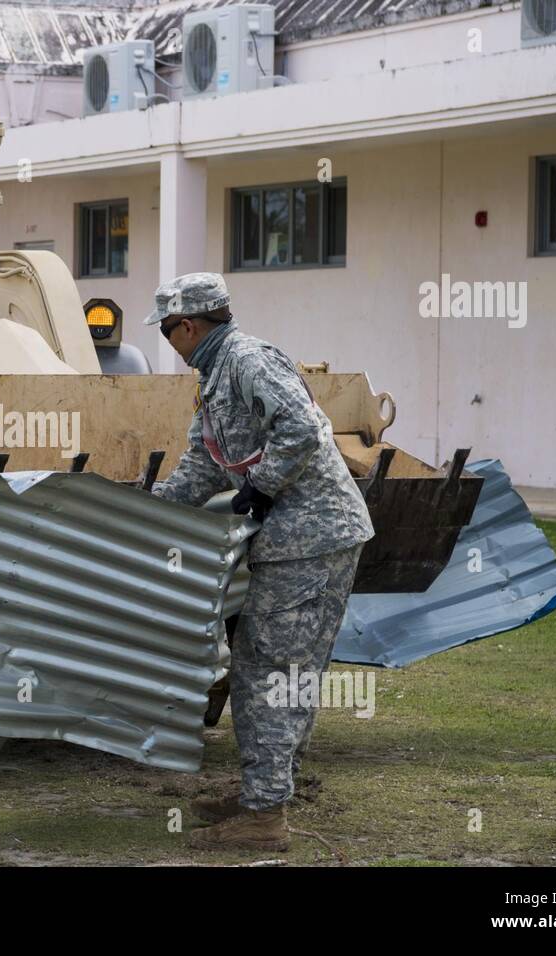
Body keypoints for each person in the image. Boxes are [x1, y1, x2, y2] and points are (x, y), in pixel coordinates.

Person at [147, 272, 374, 851]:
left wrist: (264, 486)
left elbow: (301, 429)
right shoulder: (216, 374)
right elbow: (204, 460)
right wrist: (147, 511)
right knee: (284, 669)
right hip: (301, 538)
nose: (169, 344)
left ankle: (265, 816)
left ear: (189, 325)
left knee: (268, 671)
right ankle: (263, 793)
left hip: (310, 538)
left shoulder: (249, 360)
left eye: (169, 331)